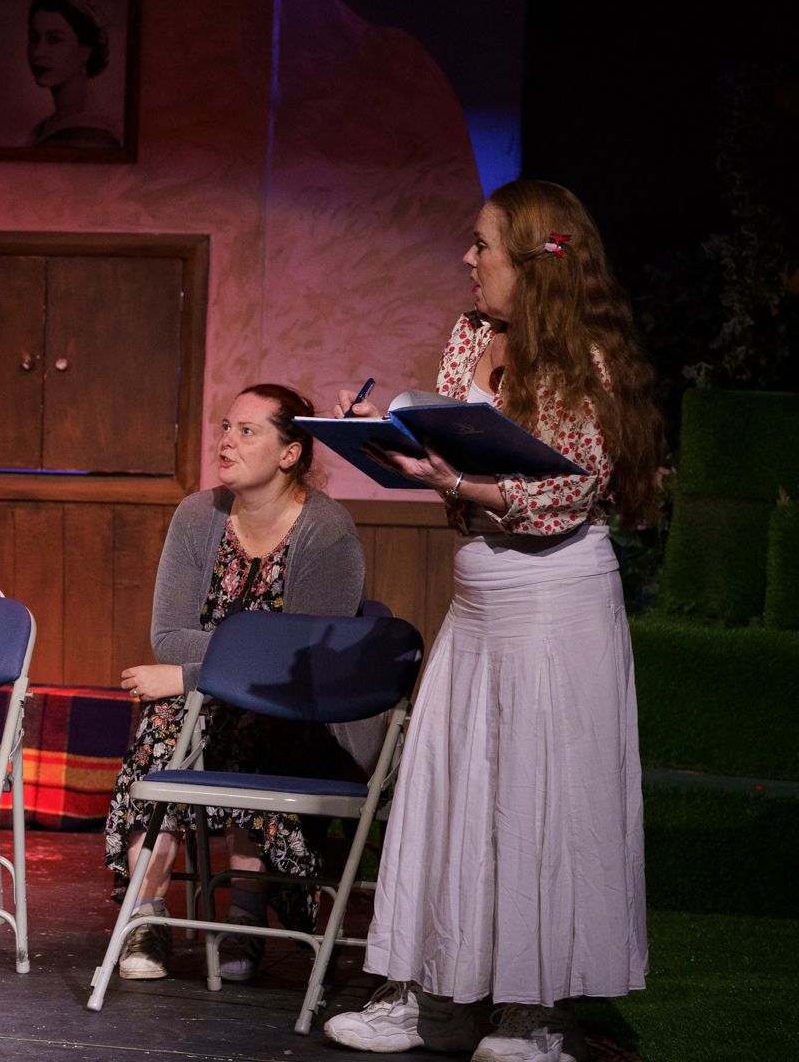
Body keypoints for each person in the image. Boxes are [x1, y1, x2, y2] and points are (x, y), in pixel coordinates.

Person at [322, 180, 661, 1061]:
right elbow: (457, 460)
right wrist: (397, 444)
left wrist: (463, 483)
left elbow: (570, 491)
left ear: (534, 260)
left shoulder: (586, 357)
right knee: (453, 788)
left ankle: (533, 1011)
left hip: (555, 597)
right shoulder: (472, 336)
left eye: (483, 245)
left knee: (542, 795)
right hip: (479, 591)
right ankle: (433, 995)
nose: (468, 260)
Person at [104, 385, 368, 984]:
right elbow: (169, 636)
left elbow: (304, 659)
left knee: (240, 715)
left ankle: (245, 914)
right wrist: (217, 670)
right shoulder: (198, 515)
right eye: (226, 427)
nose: (226, 441)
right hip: (202, 707)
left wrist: (192, 675)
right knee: (168, 717)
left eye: (248, 431)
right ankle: (147, 912)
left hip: (299, 709)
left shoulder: (327, 530)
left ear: (290, 454)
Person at [25, 0, 121, 149]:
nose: (37, 52)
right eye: (34, 38)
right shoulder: (46, 126)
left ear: (86, 50)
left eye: (54, 39)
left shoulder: (92, 134)